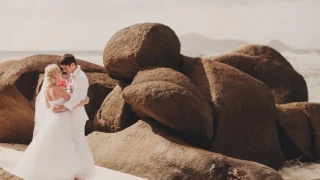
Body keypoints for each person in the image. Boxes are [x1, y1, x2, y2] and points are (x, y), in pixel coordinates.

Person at [12, 64, 90, 180]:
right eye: (59, 72)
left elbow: (49, 106)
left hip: (52, 118)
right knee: (66, 144)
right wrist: (85, 101)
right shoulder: (60, 89)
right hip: (63, 119)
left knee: (49, 144)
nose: (61, 73)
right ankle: (66, 171)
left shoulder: (46, 90)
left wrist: (57, 107)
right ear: (54, 75)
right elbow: (72, 104)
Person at [53, 54, 95, 179]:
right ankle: (73, 170)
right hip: (71, 112)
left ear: (73, 65)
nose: (64, 71)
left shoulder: (81, 78)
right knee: (70, 142)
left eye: (65, 68)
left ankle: (81, 172)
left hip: (77, 114)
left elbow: (75, 99)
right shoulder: (73, 75)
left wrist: (60, 108)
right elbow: (70, 91)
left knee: (78, 143)